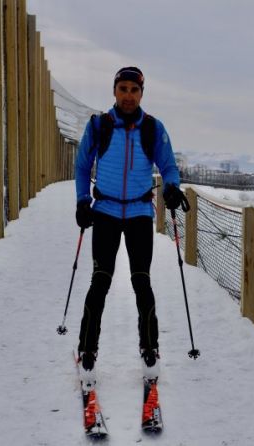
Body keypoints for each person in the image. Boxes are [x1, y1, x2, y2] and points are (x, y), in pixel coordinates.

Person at [73, 67, 186, 389]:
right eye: (123, 89)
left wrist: (172, 187)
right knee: (100, 281)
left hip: (138, 211)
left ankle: (150, 349)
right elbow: (82, 166)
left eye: (134, 90)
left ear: (141, 94)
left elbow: (168, 165)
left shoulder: (153, 128)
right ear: (114, 91)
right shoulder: (99, 126)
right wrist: (82, 201)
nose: (128, 95)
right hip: (106, 210)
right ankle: (87, 350)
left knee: (141, 282)